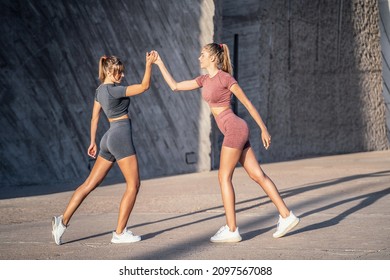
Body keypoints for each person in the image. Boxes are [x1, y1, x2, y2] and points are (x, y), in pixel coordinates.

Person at [153, 43, 299, 242]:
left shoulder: (224, 77)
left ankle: (232, 229)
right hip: (234, 129)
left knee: (223, 177)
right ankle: (286, 215)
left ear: (213, 58)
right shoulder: (204, 80)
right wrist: (159, 62)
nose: (199, 58)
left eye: (202, 55)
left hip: (234, 128)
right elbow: (175, 86)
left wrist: (263, 128)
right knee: (257, 175)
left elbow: (246, 103)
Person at [52, 51, 158, 245]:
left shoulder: (99, 91)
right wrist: (149, 64)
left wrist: (92, 141)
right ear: (110, 72)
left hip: (107, 137)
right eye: (119, 72)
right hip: (120, 136)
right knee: (133, 185)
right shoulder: (114, 90)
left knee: (88, 184)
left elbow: (94, 117)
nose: (123, 75)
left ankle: (62, 221)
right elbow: (144, 86)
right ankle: (119, 233)